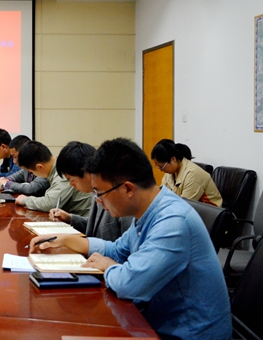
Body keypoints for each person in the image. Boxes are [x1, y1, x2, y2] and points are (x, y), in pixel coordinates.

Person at [30, 138, 231, 340]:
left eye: (100, 193)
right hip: (155, 321)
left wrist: (109, 267)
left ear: (128, 189)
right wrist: (66, 240)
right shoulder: (148, 210)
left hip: (186, 334)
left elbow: (129, 285)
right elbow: (117, 249)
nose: (98, 201)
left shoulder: (173, 221)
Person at [48, 141, 132, 241]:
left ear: (87, 172)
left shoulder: (121, 195)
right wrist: (70, 218)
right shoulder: (95, 192)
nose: (71, 185)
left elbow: (130, 244)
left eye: (72, 180)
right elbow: (95, 228)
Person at [14, 141, 91, 216]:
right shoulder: (57, 167)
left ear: (40, 167)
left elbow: (50, 204)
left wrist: (25, 200)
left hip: (82, 221)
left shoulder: (64, 171)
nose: (33, 174)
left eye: (31, 172)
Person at [151, 138, 222, 206]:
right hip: (187, 209)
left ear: (173, 159)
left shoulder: (193, 174)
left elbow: (183, 206)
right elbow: (161, 195)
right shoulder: (170, 172)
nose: (161, 170)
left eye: (162, 167)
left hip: (209, 212)